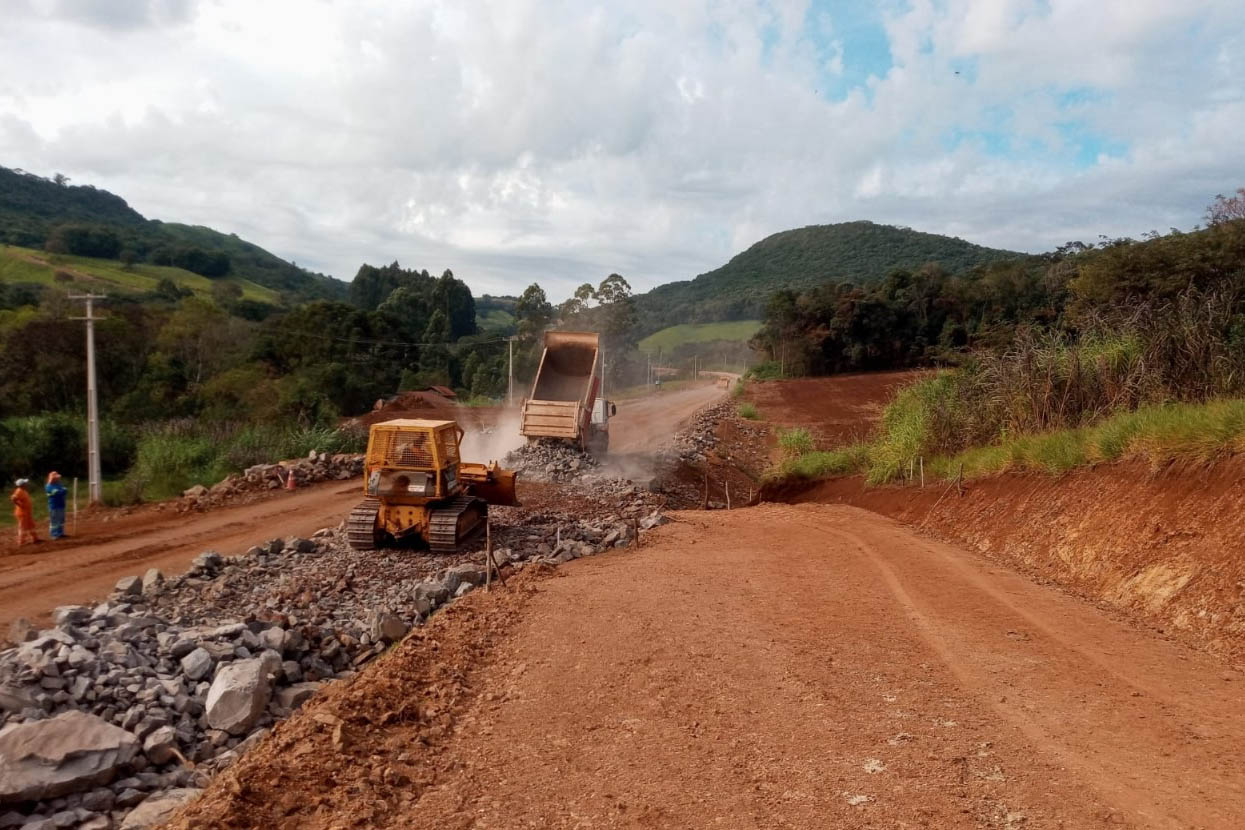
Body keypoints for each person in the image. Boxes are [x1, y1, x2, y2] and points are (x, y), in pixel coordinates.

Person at [9, 478, 40, 546]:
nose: (27, 484)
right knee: (23, 527)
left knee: (31, 525)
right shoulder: (19, 491)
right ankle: (21, 542)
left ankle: (35, 539)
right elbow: (13, 499)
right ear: (22, 485)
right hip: (22, 513)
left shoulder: (23, 490)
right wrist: (20, 505)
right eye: (25, 483)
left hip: (27, 512)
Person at [45, 471, 67, 540]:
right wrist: (62, 491)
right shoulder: (48, 486)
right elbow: (57, 492)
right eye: (56, 478)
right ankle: (54, 534)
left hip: (61, 504)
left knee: (61, 519)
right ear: (53, 478)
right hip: (54, 505)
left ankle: (60, 533)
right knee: (54, 520)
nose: (58, 479)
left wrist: (62, 491)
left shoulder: (58, 484)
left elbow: (64, 491)